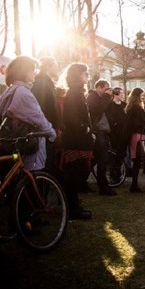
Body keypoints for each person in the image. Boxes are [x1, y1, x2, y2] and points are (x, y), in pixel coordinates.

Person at [0, 56, 57, 172]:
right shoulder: (23, 92)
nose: (34, 73)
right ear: (24, 72)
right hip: (26, 144)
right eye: (32, 70)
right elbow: (38, 117)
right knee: (31, 178)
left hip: (11, 141)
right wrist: (51, 133)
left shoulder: (11, 90)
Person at [60, 63, 95, 220]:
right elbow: (71, 117)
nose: (87, 76)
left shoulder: (77, 92)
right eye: (85, 73)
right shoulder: (73, 93)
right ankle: (72, 209)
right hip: (75, 140)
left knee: (77, 174)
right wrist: (85, 129)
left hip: (80, 139)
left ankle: (74, 205)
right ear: (77, 75)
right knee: (73, 176)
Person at [86, 78, 117, 196]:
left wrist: (109, 98)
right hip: (98, 131)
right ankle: (103, 187)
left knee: (96, 160)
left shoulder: (101, 98)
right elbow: (98, 109)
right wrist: (106, 97)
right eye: (105, 89)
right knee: (101, 160)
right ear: (98, 87)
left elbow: (108, 111)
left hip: (103, 132)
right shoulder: (92, 96)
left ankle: (82, 182)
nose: (106, 92)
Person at [31, 56, 60, 180]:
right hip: (44, 131)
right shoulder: (42, 83)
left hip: (48, 129)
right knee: (46, 166)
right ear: (48, 66)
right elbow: (41, 109)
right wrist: (49, 127)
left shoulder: (47, 82)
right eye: (55, 65)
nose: (57, 68)